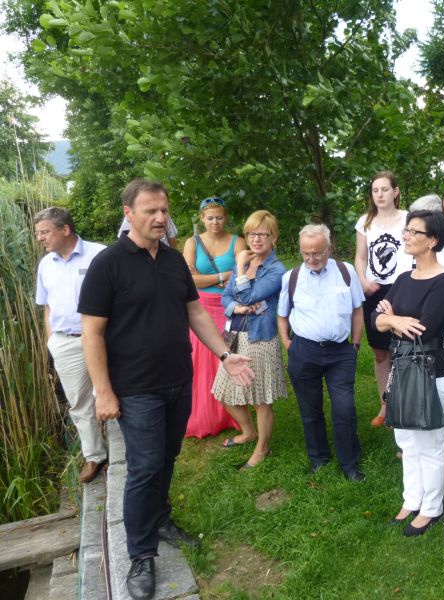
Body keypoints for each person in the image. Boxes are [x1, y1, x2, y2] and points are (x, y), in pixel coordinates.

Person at [79, 179, 254, 600]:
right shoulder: (108, 264)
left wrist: (224, 354)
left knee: (167, 457)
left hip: (178, 379)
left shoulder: (175, 261)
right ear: (129, 214)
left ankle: (159, 519)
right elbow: (91, 332)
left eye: (164, 210)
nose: (160, 218)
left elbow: (195, 312)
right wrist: (103, 392)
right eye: (150, 211)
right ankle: (141, 554)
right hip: (135, 386)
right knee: (144, 467)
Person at [374, 210, 444, 537]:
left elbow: (425, 329)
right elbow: (376, 321)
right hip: (402, 368)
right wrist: (395, 320)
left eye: (413, 232)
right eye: (405, 230)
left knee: (430, 443)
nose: (405, 236)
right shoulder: (403, 279)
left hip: (430, 371)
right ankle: (412, 499)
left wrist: (392, 320)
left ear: (432, 240)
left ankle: (432, 508)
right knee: (406, 440)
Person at [277, 224, 365, 480]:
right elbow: (282, 315)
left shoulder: (345, 271)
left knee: (344, 408)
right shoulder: (292, 277)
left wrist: (355, 345)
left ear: (329, 248)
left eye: (317, 252)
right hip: (304, 351)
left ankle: (350, 464)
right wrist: (288, 343)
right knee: (310, 409)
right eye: (306, 253)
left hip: (340, 352)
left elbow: (357, 310)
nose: (311, 258)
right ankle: (319, 458)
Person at [34, 207, 108, 483]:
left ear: (65, 229)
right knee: (78, 401)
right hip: (65, 342)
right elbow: (47, 306)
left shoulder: (99, 255)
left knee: (115, 391)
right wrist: (51, 341)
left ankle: (127, 447)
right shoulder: (46, 264)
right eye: (38, 233)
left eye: (44, 232)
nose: (40, 238)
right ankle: (95, 455)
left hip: (102, 339)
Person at [212, 210, 287, 469]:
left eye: (262, 234)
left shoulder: (276, 270)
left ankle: (262, 448)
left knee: (260, 399)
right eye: (251, 234)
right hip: (234, 335)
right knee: (222, 390)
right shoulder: (242, 263)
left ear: (273, 237)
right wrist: (239, 308)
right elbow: (226, 298)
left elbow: (247, 295)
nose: (256, 239)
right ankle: (249, 432)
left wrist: (241, 275)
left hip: (260, 339)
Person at [182, 196, 246, 439]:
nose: (215, 222)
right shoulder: (192, 243)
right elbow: (189, 279)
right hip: (200, 306)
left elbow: (244, 274)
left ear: (225, 218)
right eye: (210, 218)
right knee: (201, 358)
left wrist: (207, 277)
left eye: (219, 217)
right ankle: (204, 414)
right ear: (202, 218)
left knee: (226, 354)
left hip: (229, 306)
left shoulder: (238, 241)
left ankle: (232, 412)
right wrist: (224, 276)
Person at [354, 171, 412, 427]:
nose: (379, 194)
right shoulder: (365, 221)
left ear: (395, 191)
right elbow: (360, 257)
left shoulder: (408, 218)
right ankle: (385, 405)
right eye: (375, 190)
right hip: (374, 290)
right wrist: (363, 281)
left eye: (385, 189)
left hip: (404, 288)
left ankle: (406, 404)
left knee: (404, 349)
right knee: (380, 352)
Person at [408, 194, 444, 425]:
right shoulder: (407, 249)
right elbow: (398, 292)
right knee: (412, 387)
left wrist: (400, 319)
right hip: (409, 332)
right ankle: (414, 430)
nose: (410, 232)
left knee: (440, 390)